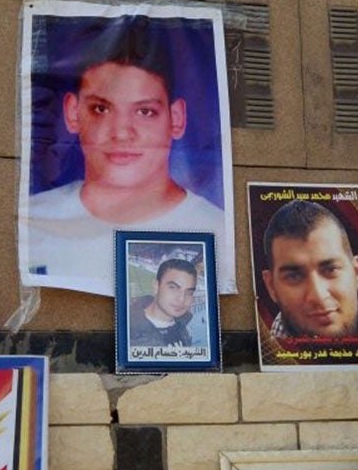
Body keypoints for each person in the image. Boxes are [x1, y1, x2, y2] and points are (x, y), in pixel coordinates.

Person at [23, 15, 230, 295]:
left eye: (145, 112)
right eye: (101, 109)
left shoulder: (217, 231)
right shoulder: (34, 221)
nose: (121, 133)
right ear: (73, 113)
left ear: (177, 118)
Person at [258, 199, 358, 350]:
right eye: (294, 276)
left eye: (330, 270)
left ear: (357, 273)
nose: (318, 295)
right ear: (271, 287)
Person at [128, 255, 199, 352]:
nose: (181, 299)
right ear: (156, 286)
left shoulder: (184, 324)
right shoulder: (129, 332)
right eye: (173, 288)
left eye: (189, 292)